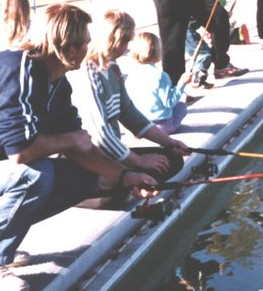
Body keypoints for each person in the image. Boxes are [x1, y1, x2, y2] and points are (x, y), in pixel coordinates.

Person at [0, 3, 158, 291]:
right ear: (65, 45)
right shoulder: (16, 71)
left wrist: (126, 175)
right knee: (32, 174)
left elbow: (82, 148)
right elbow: (20, 152)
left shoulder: (57, 83)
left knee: (83, 178)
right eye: (84, 41)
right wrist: (70, 140)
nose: (90, 46)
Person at [68, 10, 189, 202]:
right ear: (115, 40)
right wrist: (139, 161)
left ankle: (122, 182)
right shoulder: (88, 74)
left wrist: (169, 142)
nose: (126, 49)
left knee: (171, 160)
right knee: (115, 194)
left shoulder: (113, 68)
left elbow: (130, 114)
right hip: (91, 158)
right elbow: (100, 136)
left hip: (111, 156)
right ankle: (104, 186)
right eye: (125, 42)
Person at [127, 31, 190, 134]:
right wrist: (182, 83)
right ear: (157, 51)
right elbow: (169, 102)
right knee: (181, 106)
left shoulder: (131, 75)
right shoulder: (161, 76)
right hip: (163, 126)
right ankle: (172, 125)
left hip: (141, 125)